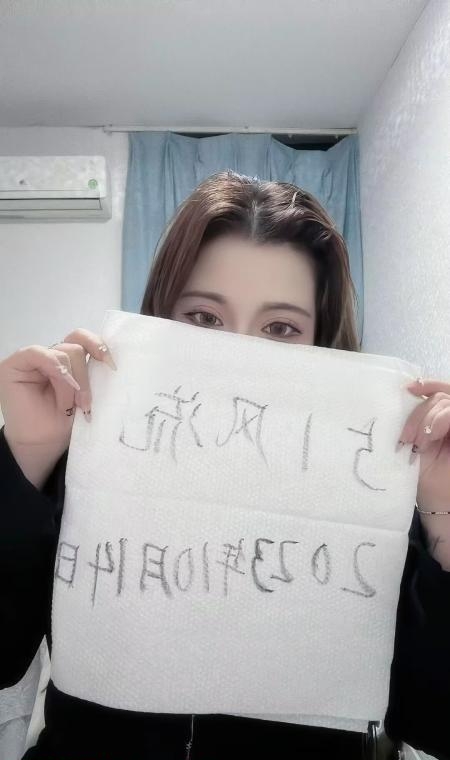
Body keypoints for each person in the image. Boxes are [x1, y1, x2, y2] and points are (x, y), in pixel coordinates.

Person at [1, 170, 450, 760]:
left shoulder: (371, 487)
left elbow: (434, 720)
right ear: (162, 315)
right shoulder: (83, 454)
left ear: (322, 345)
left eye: (280, 328)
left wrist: (446, 521)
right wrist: (26, 456)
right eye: (204, 318)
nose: (236, 353)